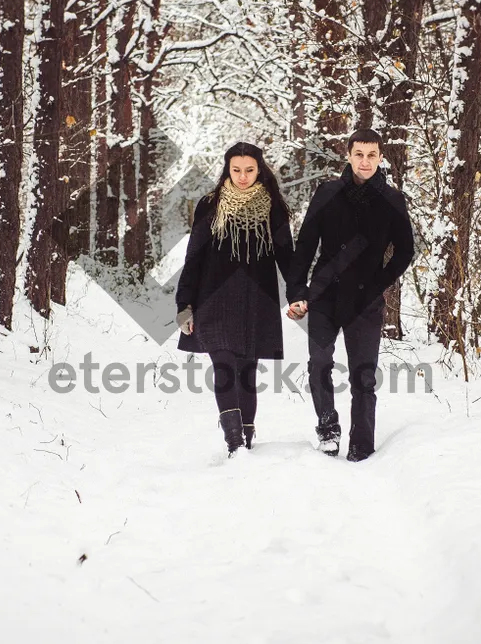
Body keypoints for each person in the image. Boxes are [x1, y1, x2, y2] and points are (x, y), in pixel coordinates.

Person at [285, 129, 414, 462]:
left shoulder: (391, 199)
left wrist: (378, 283)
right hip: (326, 294)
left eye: (372, 155)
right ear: (348, 155)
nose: (365, 161)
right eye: (359, 154)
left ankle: (361, 446)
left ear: (381, 157)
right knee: (318, 365)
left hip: (366, 299)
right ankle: (328, 430)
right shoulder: (328, 193)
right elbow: (305, 246)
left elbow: (404, 251)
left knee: (364, 376)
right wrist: (297, 292)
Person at [175, 142, 295, 456]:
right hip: (213, 299)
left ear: (260, 170)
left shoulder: (274, 208)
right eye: (236, 170)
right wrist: (184, 305)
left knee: (246, 371)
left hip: (257, 300)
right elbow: (194, 258)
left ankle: (247, 435)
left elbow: (287, 257)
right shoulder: (210, 205)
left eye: (249, 170)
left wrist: (298, 294)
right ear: (227, 169)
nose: (242, 177)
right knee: (224, 366)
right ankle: (234, 444)